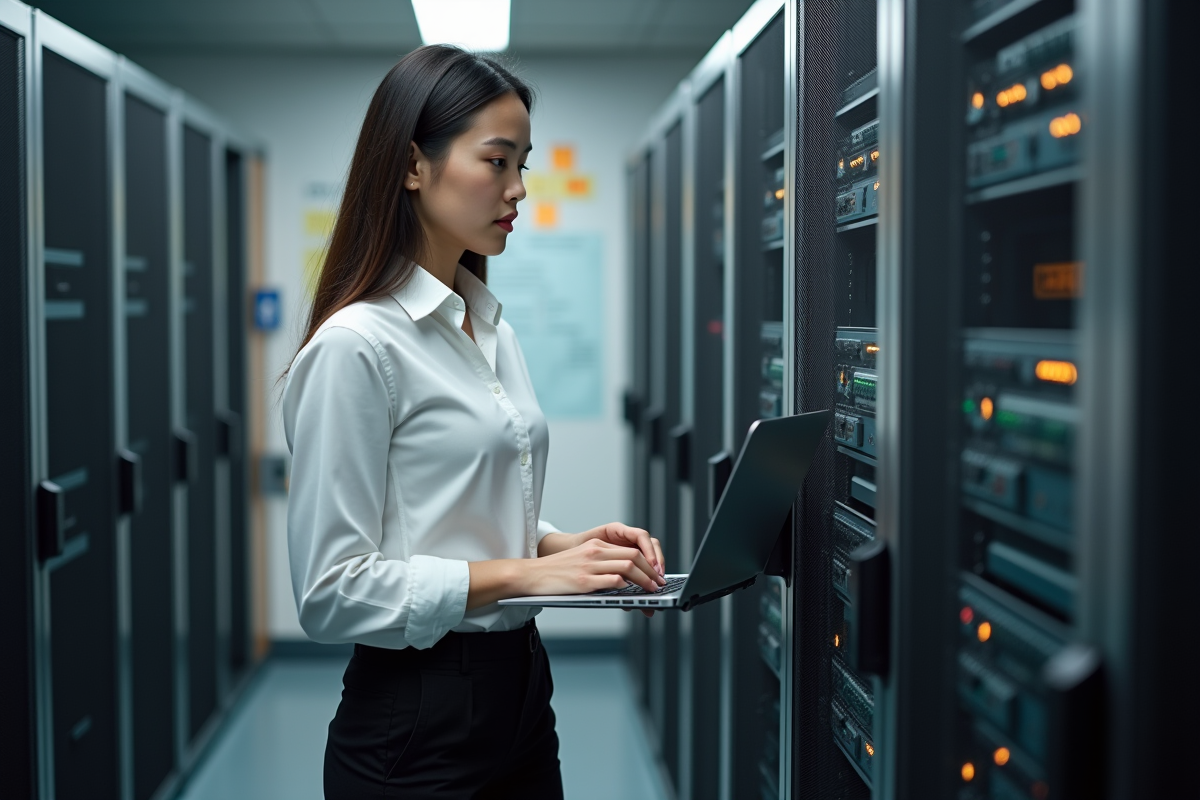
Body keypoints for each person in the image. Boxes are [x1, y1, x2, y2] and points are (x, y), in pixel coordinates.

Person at [281, 45, 666, 799]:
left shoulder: (485, 326)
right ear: (412, 165)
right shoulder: (357, 347)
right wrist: (532, 573)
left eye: (523, 163)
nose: (517, 189)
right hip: (416, 715)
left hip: (520, 687)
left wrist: (568, 546)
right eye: (497, 161)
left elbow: (453, 503)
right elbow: (331, 593)